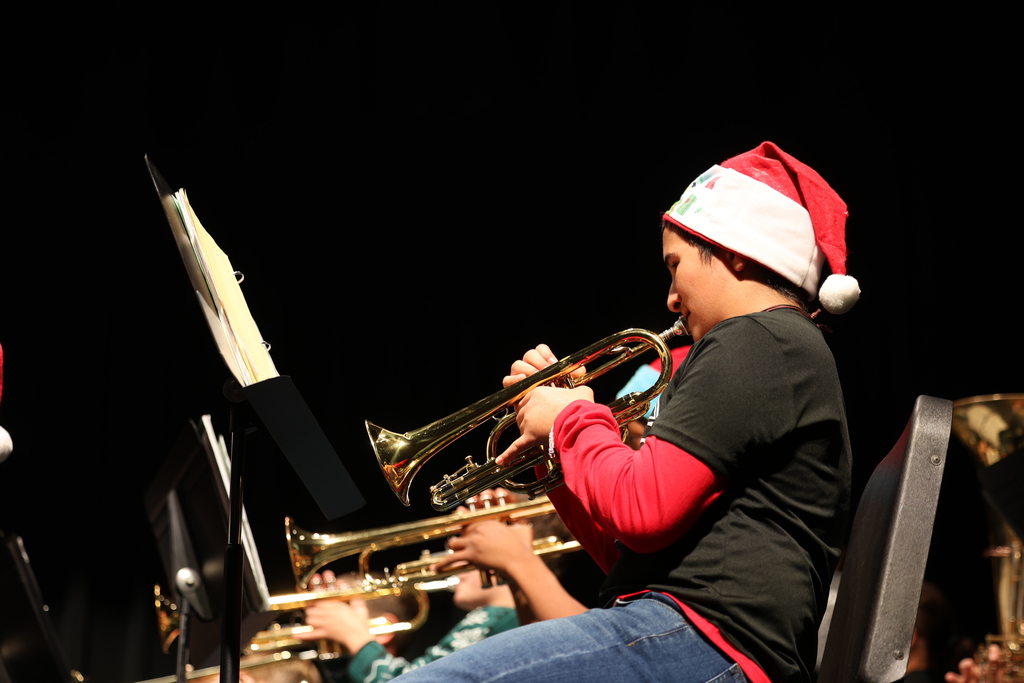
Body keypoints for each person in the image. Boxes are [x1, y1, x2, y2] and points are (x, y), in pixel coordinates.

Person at [391, 141, 859, 683]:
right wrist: (557, 461)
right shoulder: (767, 347)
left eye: (675, 265)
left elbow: (645, 509)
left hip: (710, 639)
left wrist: (572, 418)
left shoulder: (760, 337)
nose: (671, 299)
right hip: (688, 631)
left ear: (735, 250)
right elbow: (627, 552)